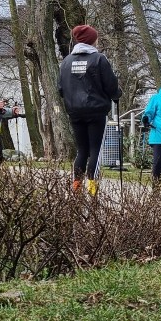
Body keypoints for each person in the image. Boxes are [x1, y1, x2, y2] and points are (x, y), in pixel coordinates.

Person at [58, 24, 122, 196]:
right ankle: (92, 188)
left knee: (82, 150)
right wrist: (117, 94)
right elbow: (111, 85)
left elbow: (60, 89)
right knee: (95, 149)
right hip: (96, 111)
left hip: (75, 112)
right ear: (92, 40)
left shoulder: (66, 62)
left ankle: (76, 186)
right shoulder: (99, 59)